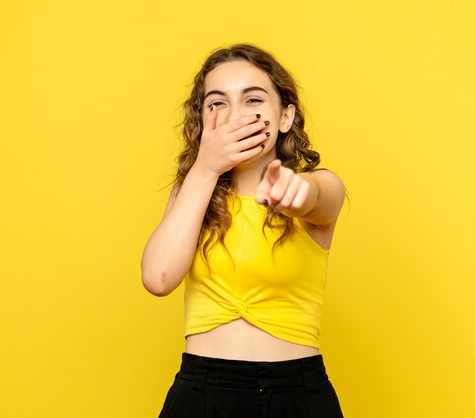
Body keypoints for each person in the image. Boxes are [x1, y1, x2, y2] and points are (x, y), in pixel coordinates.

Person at [141, 43, 346, 417]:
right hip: (202, 393)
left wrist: (299, 193)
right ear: (203, 121)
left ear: (285, 117)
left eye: (253, 99)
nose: (236, 115)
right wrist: (205, 169)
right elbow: (158, 277)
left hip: (297, 395)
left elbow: (321, 196)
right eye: (217, 103)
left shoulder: (317, 185)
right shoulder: (192, 193)